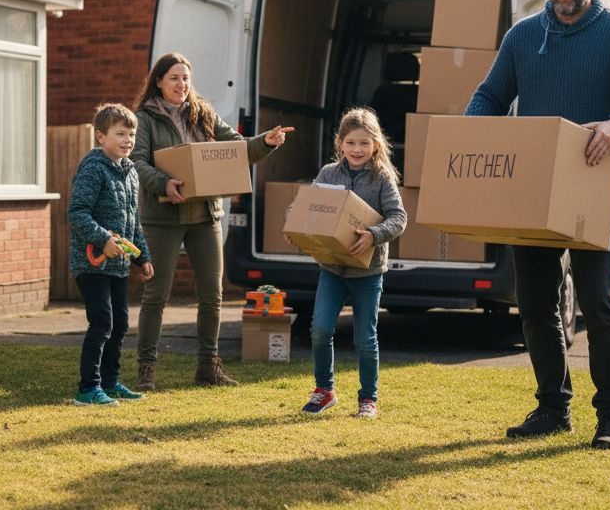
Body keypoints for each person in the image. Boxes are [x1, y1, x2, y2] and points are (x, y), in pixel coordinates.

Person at [465, 0, 610, 449]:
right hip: (532, 192)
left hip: (592, 192)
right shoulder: (522, 37)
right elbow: (489, 96)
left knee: (600, 306)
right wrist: (471, 132)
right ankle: (553, 408)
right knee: (534, 307)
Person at [132, 52, 293, 389]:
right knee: (156, 295)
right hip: (164, 216)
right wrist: (164, 182)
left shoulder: (203, 114)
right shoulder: (144, 118)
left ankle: (208, 367)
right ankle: (146, 369)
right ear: (159, 81)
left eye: (186, 78)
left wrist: (265, 142)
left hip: (205, 214)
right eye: (174, 78)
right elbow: (137, 161)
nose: (181, 84)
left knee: (212, 294)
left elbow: (237, 149)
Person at [292, 107, 406, 419]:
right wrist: (298, 226)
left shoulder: (381, 178)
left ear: (376, 145)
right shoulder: (329, 173)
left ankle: (368, 399)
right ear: (340, 143)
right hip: (332, 268)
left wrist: (373, 234)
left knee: (364, 339)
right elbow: (307, 207)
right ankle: (324, 390)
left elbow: (399, 218)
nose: (357, 150)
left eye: (364, 144)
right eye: (351, 143)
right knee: (319, 329)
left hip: (367, 272)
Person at [67, 103, 155, 406]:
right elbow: (77, 213)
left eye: (131, 134)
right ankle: (88, 388)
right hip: (91, 263)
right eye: (120, 134)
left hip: (118, 265)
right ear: (100, 137)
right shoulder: (93, 168)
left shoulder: (130, 172)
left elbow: (133, 221)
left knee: (119, 325)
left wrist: (142, 256)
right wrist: (103, 239)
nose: (127, 140)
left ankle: (111, 382)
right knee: (102, 323)